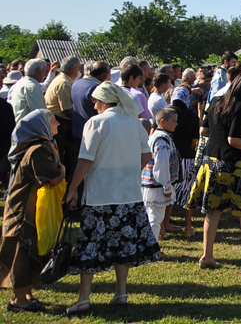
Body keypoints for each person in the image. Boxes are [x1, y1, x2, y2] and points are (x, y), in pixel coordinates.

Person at [64, 82, 160, 315]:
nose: (93, 105)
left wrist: (72, 188)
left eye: (95, 101)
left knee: (90, 245)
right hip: (129, 195)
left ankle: (84, 298)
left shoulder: (96, 123)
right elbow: (147, 154)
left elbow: (85, 159)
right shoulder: (133, 122)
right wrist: (128, 172)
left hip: (99, 195)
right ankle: (121, 292)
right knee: (124, 245)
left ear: (105, 102)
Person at [190, 72, 241, 272]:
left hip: (211, 162)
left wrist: (218, 133)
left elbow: (203, 131)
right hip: (232, 164)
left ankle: (207, 255)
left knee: (213, 211)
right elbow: (234, 140)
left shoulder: (215, 101)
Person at [0, 110, 65, 312]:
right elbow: (53, 177)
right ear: (41, 126)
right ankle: (19, 300)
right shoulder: (37, 150)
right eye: (53, 120)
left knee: (35, 251)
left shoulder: (45, 145)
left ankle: (27, 294)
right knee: (22, 252)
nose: (58, 123)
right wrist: (62, 169)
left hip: (35, 209)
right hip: (23, 211)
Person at [141, 107, 180, 242]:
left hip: (153, 183)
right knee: (155, 218)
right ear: (162, 122)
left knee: (153, 216)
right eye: (173, 121)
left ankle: (150, 246)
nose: (176, 124)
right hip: (156, 185)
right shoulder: (161, 140)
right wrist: (167, 186)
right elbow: (161, 166)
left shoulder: (158, 137)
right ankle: (152, 248)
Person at [167, 86, 201, 238]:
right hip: (187, 158)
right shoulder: (192, 116)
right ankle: (188, 226)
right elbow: (195, 140)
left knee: (168, 192)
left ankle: (164, 226)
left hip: (169, 157)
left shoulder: (166, 113)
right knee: (188, 193)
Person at [69, 61, 110, 182]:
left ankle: (71, 194)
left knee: (77, 165)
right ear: (102, 75)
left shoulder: (77, 83)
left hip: (77, 130)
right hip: (91, 133)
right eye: (108, 74)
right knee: (87, 167)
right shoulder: (96, 88)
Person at [45, 56, 81, 178]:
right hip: (59, 123)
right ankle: (58, 179)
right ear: (72, 69)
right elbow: (67, 110)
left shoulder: (62, 79)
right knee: (60, 152)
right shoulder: (64, 83)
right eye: (78, 68)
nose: (79, 71)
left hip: (58, 121)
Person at [9, 59, 49, 123]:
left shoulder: (20, 84)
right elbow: (41, 113)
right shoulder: (32, 87)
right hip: (30, 129)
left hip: (22, 127)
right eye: (44, 72)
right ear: (37, 71)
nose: (44, 75)